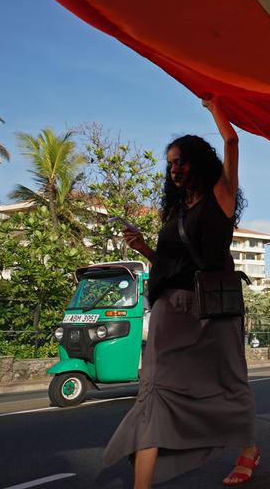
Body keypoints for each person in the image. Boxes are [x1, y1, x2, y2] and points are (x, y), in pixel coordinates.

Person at [106, 97, 258, 488]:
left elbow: (233, 143)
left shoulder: (220, 197)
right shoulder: (174, 213)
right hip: (170, 310)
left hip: (212, 309)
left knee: (228, 381)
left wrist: (214, 108)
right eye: (170, 163)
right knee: (155, 389)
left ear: (198, 162)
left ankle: (248, 448)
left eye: (181, 161)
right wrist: (143, 249)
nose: (174, 170)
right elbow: (173, 265)